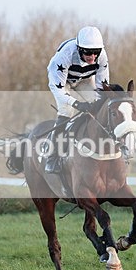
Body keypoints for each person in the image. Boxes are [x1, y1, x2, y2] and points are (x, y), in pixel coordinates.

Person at [44, 26, 110, 174]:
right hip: (63, 82)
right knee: (67, 111)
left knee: (99, 106)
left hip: (85, 80)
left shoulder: (102, 56)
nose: (92, 56)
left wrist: (97, 104)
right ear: (79, 49)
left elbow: (103, 86)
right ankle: (53, 156)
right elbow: (58, 90)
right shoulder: (64, 56)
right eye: (88, 52)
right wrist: (77, 104)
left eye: (96, 52)